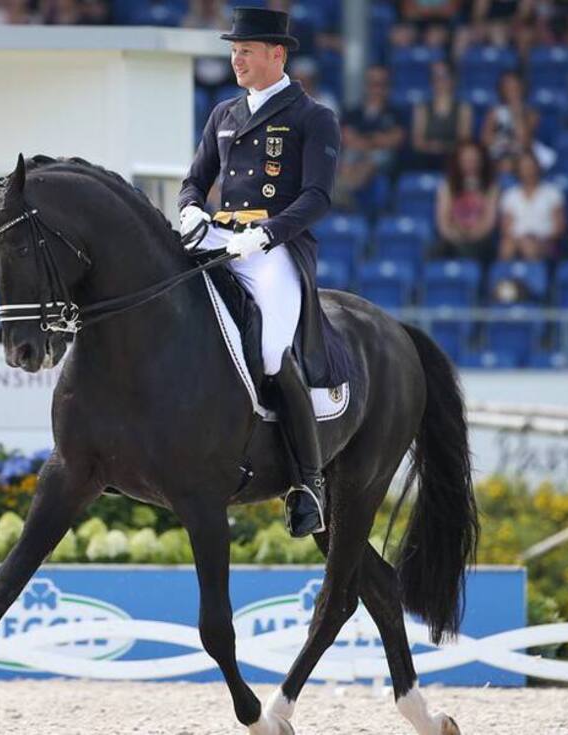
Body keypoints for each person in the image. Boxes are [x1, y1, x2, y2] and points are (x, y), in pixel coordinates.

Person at [178, 7, 342, 537]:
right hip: (222, 237)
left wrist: (268, 232)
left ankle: (309, 482)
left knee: (272, 352)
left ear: (277, 54)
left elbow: (317, 197)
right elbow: (195, 179)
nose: (236, 60)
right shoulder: (223, 114)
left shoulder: (312, 116)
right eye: (233, 51)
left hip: (274, 247)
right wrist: (190, 209)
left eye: (245, 51)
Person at [332, 65, 404, 211]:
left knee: (376, 158)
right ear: (366, 86)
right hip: (356, 155)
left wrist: (363, 141)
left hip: (381, 159)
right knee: (347, 156)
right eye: (373, 84)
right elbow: (346, 138)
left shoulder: (395, 113)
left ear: (387, 86)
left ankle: (345, 192)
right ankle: (345, 192)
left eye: (381, 84)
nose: (376, 89)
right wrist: (375, 140)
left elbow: (395, 140)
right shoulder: (353, 112)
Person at [434, 140, 501, 265]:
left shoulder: (491, 187)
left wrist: (472, 235)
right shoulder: (448, 186)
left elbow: (489, 222)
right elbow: (443, 222)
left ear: (481, 161)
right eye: (466, 160)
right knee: (435, 251)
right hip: (454, 237)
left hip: (481, 240)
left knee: (472, 251)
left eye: (474, 160)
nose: (470, 164)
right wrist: (456, 235)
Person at [499, 150, 565, 261]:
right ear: (518, 170)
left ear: (537, 168)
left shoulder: (552, 193)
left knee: (530, 248)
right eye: (524, 167)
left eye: (531, 167)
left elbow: (559, 227)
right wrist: (521, 240)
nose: (528, 171)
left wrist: (540, 239)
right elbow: (506, 228)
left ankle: (535, 271)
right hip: (517, 239)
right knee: (506, 247)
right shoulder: (510, 195)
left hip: (545, 241)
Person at [408, 60, 472, 172]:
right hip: (427, 158)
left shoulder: (463, 108)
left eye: (444, 76)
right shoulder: (422, 108)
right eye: (435, 77)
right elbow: (417, 141)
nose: (440, 81)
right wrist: (431, 147)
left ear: (453, 80)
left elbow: (464, 139)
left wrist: (442, 147)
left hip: (453, 158)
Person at [480, 71, 540, 175]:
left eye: (514, 87)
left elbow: (524, 142)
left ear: (522, 88)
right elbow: (485, 140)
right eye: (507, 86)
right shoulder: (494, 112)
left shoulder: (531, 114)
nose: (511, 90)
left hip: (521, 157)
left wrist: (517, 114)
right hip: (498, 155)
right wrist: (504, 144)